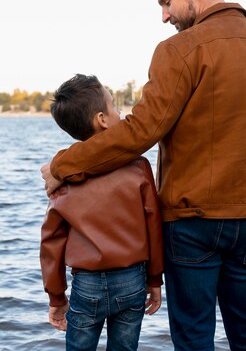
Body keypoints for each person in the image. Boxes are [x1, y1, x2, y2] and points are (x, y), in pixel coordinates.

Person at [41, 0, 246, 351]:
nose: (165, 17)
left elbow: (140, 132)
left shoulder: (179, 51)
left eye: (166, 2)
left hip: (193, 223)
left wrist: (62, 165)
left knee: (193, 338)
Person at [39, 74, 164, 351]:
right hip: (132, 280)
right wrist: (155, 279)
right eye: (114, 107)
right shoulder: (138, 166)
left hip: (87, 284)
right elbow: (154, 224)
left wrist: (56, 297)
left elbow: (51, 240)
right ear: (102, 119)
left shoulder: (65, 174)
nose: (120, 113)